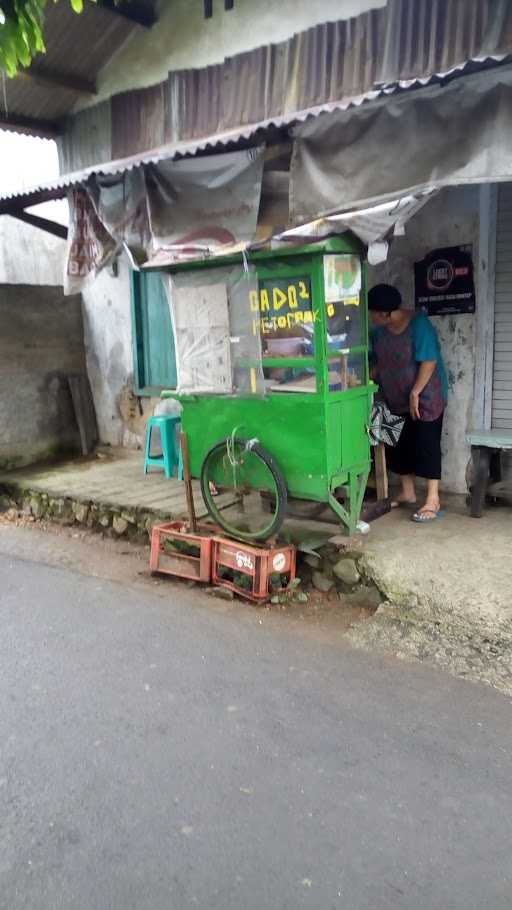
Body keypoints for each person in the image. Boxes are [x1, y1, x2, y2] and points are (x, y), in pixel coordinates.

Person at [368, 283, 448, 523]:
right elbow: (376, 362)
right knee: (397, 443)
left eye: (372, 312)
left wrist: (415, 392)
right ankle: (408, 492)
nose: (370, 317)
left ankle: (433, 498)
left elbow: (429, 360)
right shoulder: (379, 332)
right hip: (393, 394)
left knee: (426, 443)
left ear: (385, 313)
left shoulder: (419, 325)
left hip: (425, 396)